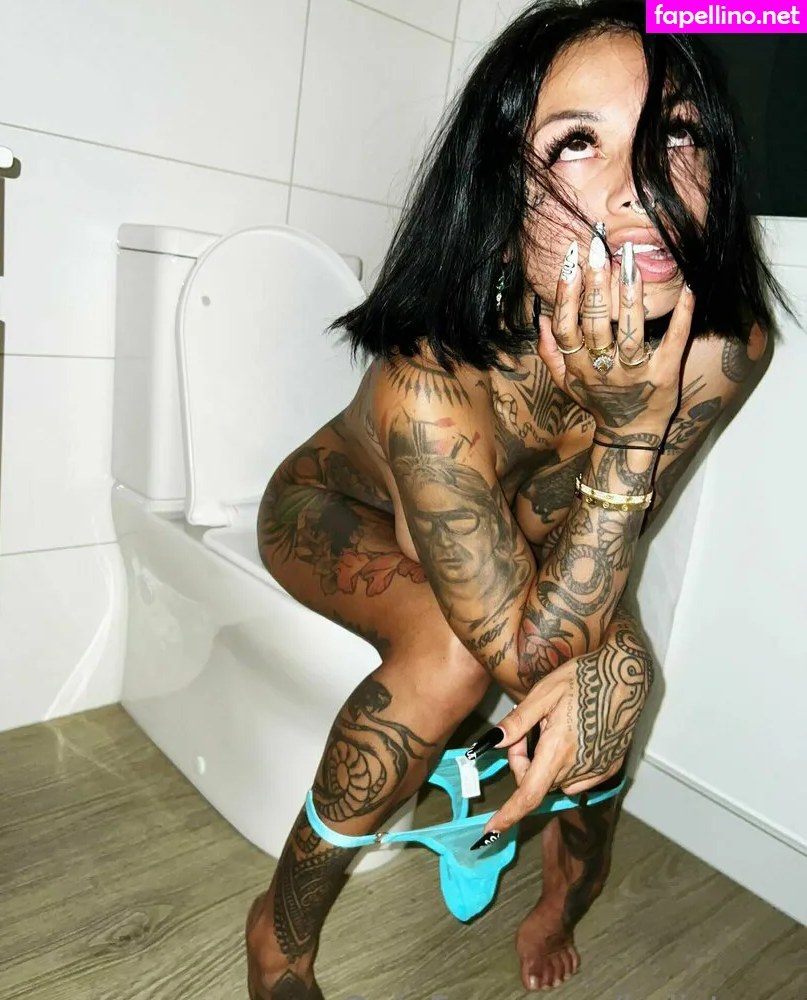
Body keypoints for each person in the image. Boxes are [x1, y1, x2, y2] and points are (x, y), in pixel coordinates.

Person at [246, 1, 782, 995]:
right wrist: (627, 447)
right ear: (501, 197)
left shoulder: (724, 347)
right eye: (578, 142)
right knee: (459, 661)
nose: (648, 186)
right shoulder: (430, 383)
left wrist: (609, 657)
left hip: (532, 536)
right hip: (334, 509)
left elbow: (610, 524)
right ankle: (281, 931)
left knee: (604, 702)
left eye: (677, 135)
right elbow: (526, 647)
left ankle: (558, 900)